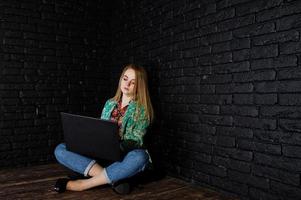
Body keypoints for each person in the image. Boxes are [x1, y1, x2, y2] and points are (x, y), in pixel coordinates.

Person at [53, 64, 154, 194]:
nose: (127, 84)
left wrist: (116, 144)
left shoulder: (142, 110)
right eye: (125, 79)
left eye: (133, 82)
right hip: (101, 154)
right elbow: (100, 129)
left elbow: (136, 141)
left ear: (139, 86)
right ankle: (113, 178)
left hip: (122, 155)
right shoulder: (110, 103)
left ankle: (83, 184)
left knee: (141, 157)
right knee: (60, 149)